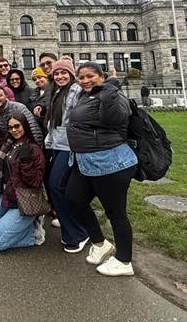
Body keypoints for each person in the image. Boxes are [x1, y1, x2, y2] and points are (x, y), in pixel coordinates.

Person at [65, 63, 137, 276]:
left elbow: (113, 119)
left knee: (115, 212)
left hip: (110, 162)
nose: (85, 81)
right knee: (74, 200)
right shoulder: (86, 95)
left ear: (102, 76)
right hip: (85, 160)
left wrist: (110, 88)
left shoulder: (114, 95)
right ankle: (100, 243)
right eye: (81, 77)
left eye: (91, 76)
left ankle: (124, 261)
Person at [0, 110, 47, 251]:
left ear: (25, 126)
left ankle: (33, 235)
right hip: (9, 197)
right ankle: (6, 229)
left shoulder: (33, 149)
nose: (14, 130)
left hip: (25, 205)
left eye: (17, 126)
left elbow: (35, 181)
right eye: (10, 127)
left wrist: (26, 162)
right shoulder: (9, 145)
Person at [43, 58, 90, 253]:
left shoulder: (76, 91)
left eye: (64, 73)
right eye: (57, 73)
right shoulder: (57, 92)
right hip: (58, 144)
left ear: (71, 75)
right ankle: (69, 222)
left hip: (70, 146)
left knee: (56, 186)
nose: (60, 76)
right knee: (63, 188)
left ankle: (78, 234)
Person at [32, 52, 57, 121]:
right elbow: (49, 101)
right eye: (42, 65)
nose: (46, 66)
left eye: (48, 63)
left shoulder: (62, 81)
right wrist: (41, 106)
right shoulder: (50, 85)